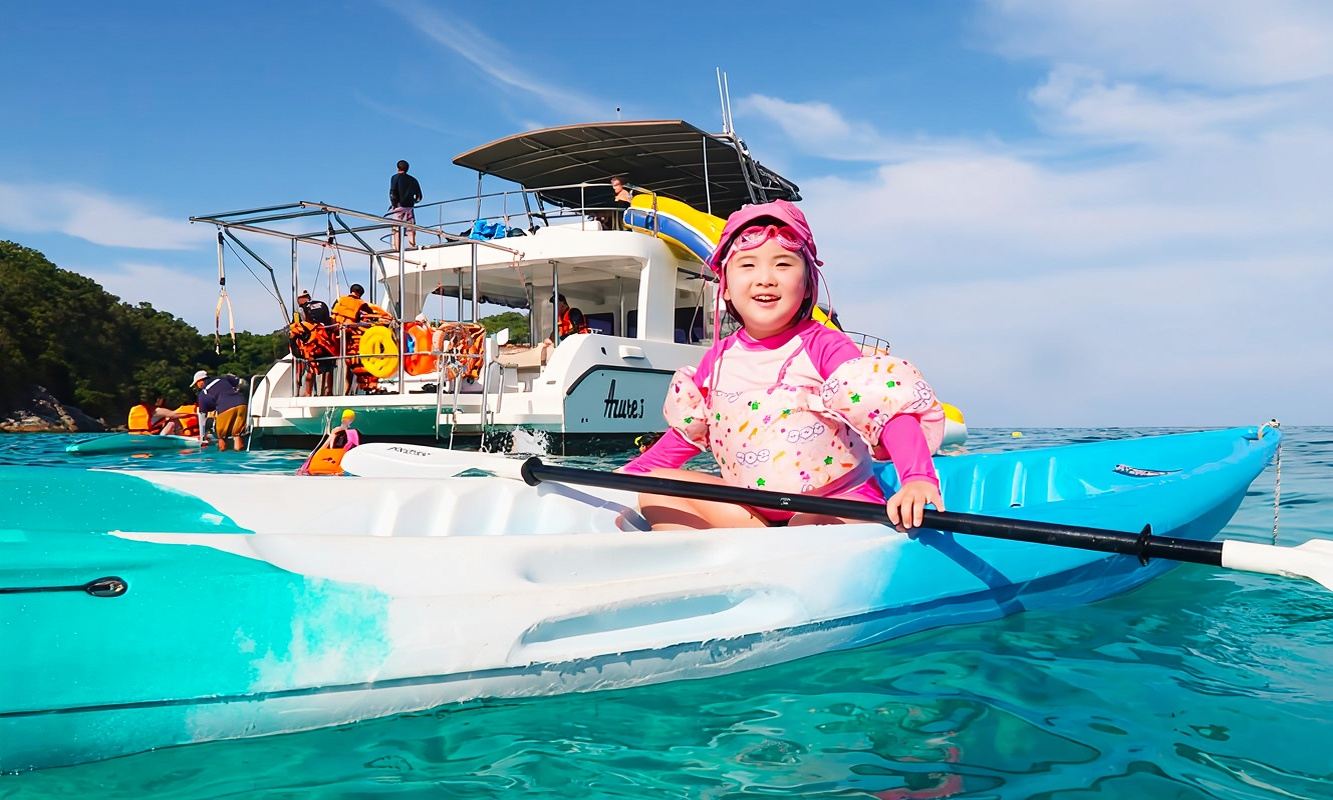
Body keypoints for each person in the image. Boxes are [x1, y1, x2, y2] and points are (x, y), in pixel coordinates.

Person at [622, 199, 946, 531]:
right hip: (752, 510)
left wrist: (917, 478)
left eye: (783, 265)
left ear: (807, 286)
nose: (765, 279)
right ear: (726, 289)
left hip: (834, 501)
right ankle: (698, 571)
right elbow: (686, 436)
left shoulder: (825, 346)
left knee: (813, 521)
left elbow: (885, 410)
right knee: (657, 488)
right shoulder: (716, 359)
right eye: (747, 265)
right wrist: (628, 475)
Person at [193, 370, 248, 451]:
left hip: (225, 408)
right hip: (242, 404)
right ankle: (239, 455)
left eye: (196, 384)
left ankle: (222, 457)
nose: (197, 387)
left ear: (200, 381)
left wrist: (202, 437)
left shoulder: (203, 394)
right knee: (237, 434)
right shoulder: (222, 378)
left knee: (221, 437)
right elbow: (240, 383)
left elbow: (202, 418)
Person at [297, 409, 361, 475]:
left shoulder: (334, 431)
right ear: (352, 420)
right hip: (335, 463)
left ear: (342, 418)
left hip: (323, 459)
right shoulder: (353, 433)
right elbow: (355, 449)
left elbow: (326, 444)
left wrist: (311, 460)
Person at [538, 293, 589, 363]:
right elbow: (555, 331)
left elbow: (577, 328)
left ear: (562, 303)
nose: (555, 307)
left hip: (580, 343)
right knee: (547, 347)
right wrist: (550, 340)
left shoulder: (573, 312)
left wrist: (563, 338)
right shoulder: (560, 317)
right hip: (568, 344)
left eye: (556, 304)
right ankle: (543, 365)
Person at [388, 159, 423, 249]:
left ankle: (397, 249)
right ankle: (412, 247)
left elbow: (392, 192)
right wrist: (413, 202)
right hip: (410, 207)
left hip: (399, 206)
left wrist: (394, 204)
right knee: (410, 228)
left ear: (397, 168)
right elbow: (419, 196)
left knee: (396, 228)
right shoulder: (413, 180)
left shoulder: (395, 177)